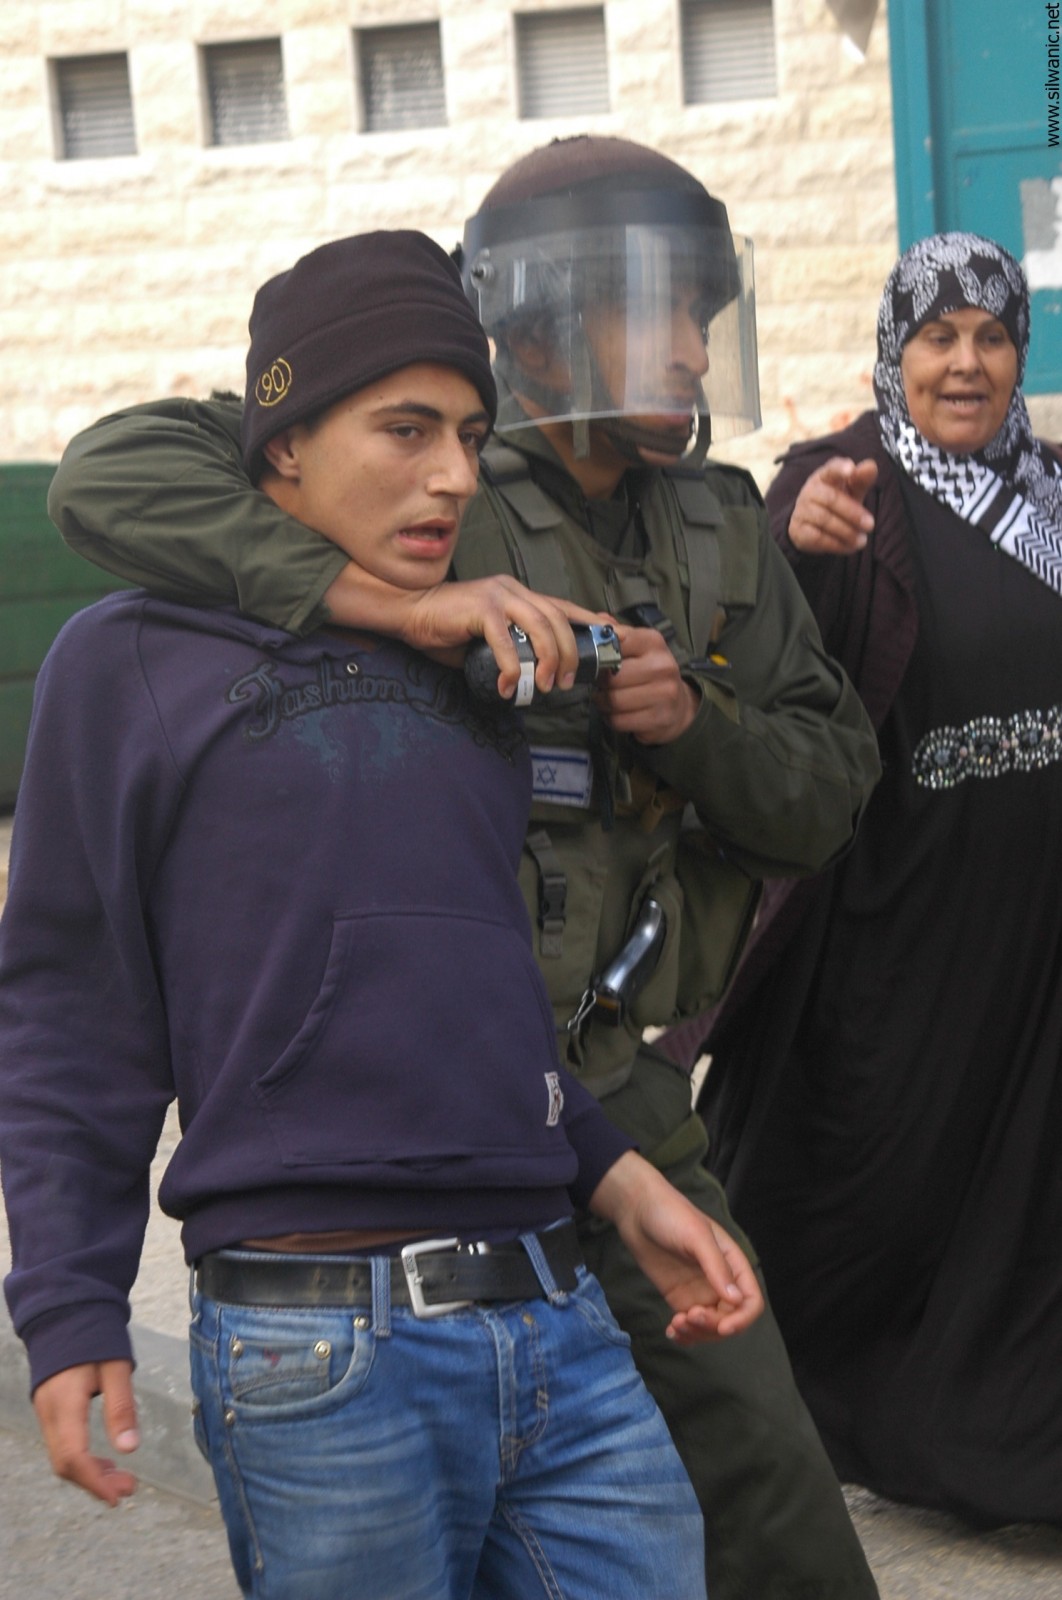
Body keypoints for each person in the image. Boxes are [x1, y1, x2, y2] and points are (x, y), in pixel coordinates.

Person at [46, 137, 883, 1600]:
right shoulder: (429, 493)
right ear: (547, 319)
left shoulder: (715, 523)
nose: (695, 348)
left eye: (705, 315)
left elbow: (825, 795)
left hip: (593, 1091)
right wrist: (390, 604)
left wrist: (693, 722)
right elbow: (118, 474)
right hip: (376, 1189)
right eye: (659, 308)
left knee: (768, 1498)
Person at [668, 231, 1062, 1528]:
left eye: (989, 336)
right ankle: (775, 1422)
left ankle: (1002, 1449)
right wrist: (797, 546)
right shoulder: (842, 484)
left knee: (1022, 1194)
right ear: (894, 354)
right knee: (873, 1177)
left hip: (1036, 928)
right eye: (936, 337)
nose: (965, 363)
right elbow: (758, 643)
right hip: (896, 925)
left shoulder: (1050, 492)